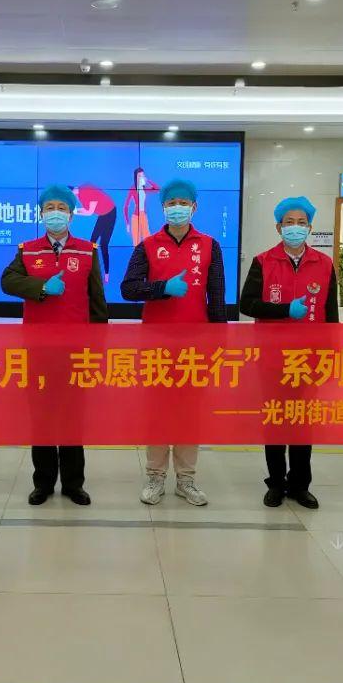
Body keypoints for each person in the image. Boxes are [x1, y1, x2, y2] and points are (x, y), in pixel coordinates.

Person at [121, 178, 227, 507]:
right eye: (171, 203)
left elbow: (217, 298)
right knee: (158, 411)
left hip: (195, 345)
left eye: (183, 203)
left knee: (189, 412)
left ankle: (186, 479)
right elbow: (128, 288)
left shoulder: (210, 246)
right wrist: (162, 288)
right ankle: (155, 476)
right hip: (157, 344)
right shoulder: (147, 245)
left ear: (194, 207)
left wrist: (219, 341)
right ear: (163, 207)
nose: (177, 208)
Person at [1, 185, 108, 506]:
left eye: (62, 207)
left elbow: (97, 303)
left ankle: (74, 484)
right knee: (42, 417)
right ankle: (43, 483)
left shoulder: (88, 250)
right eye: (50, 208)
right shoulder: (28, 250)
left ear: (71, 215)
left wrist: (98, 348)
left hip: (76, 352)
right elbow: (7, 281)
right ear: (41, 214)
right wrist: (42, 287)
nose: (56, 213)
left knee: (73, 417)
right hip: (39, 350)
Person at [240, 196, 337, 510]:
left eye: (301, 223)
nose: (295, 228)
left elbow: (331, 315)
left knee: (302, 423)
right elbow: (247, 304)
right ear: (278, 227)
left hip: (308, 358)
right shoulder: (263, 261)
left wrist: (329, 356)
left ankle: (300, 485)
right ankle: (276, 484)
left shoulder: (324, 264)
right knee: (275, 420)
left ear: (310, 227)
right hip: (273, 357)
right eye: (289, 222)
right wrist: (284, 310)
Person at [71, 183, 117, 283]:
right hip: (102, 214)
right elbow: (85, 209)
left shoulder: (86, 190)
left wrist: (75, 212)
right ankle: (90, 268)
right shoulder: (79, 195)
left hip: (110, 212)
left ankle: (106, 274)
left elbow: (89, 212)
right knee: (92, 241)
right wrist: (75, 211)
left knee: (103, 244)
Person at [123, 167, 159, 246]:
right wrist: (127, 223)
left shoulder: (144, 188)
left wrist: (148, 180)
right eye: (140, 176)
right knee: (136, 242)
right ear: (136, 177)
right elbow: (126, 206)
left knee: (148, 240)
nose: (141, 177)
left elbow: (157, 189)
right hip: (135, 217)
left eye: (143, 175)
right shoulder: (133, 188)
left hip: (143, 216)